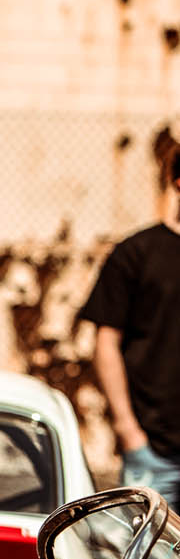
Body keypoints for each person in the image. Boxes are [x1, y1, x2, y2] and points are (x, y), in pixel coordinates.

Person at [78, 147, 180, 510]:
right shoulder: (135, 253)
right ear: (176, 182)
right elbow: (106, 342)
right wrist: (128, 429)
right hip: (154, 451)